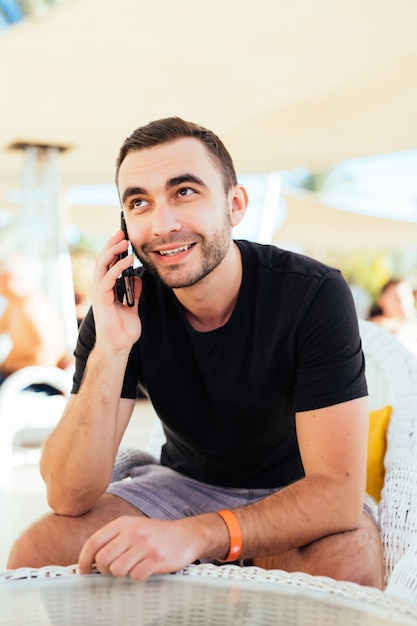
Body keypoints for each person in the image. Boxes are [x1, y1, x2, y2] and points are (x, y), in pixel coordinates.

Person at [7, 117, 384, 588]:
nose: (163, 224)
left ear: (235, 204)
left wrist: (194, 537)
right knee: (38, 549)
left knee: (349, 566)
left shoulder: (312, 294)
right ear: (125, 226)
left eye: (184, 191)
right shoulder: (120, 306)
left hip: (294, 493)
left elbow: (334, 495)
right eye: (139, 202)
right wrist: (112, 347)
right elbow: (67, 494)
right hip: (183, 485)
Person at [0, 254, 67, 379]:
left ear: (8, 277)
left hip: (32, 380)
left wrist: (9, 365)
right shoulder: (14, 303)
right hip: (14, 375)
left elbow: (46, 357)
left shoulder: (31, 305)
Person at [369, 278, 417, 358]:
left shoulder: (411, 325)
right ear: (381, 299)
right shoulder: (373, 329)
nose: (403, 300)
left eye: (407, 295)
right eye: (397, 296)